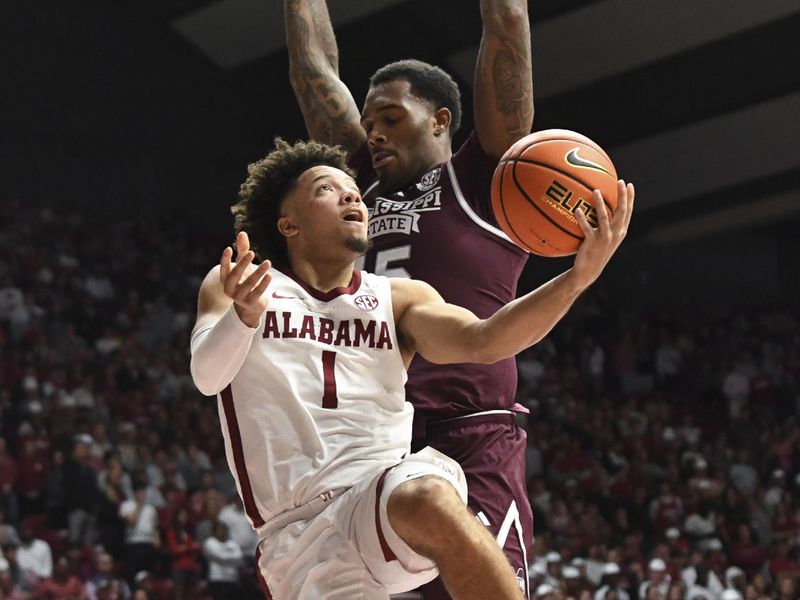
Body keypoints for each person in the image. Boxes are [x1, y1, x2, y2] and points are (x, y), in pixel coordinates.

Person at [189, 138, 633, 598]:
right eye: (327, 189)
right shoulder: (241, 284)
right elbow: (207, 376)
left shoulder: (398, 298)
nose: (351, 195)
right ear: (289, 224)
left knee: (429, 496)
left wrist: (577, 279)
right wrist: (242, 317)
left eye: (354, 190)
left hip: (380, 494)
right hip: (297, 535)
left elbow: (487, 340)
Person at [283, 2, 535, 594]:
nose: (373, 133)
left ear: (441, 120)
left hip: (468, 433)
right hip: (367, 441)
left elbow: (507, 26)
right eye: (368, 123)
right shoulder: (355, 193)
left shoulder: (485, 180)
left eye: (392, 119)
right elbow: (312, 71)